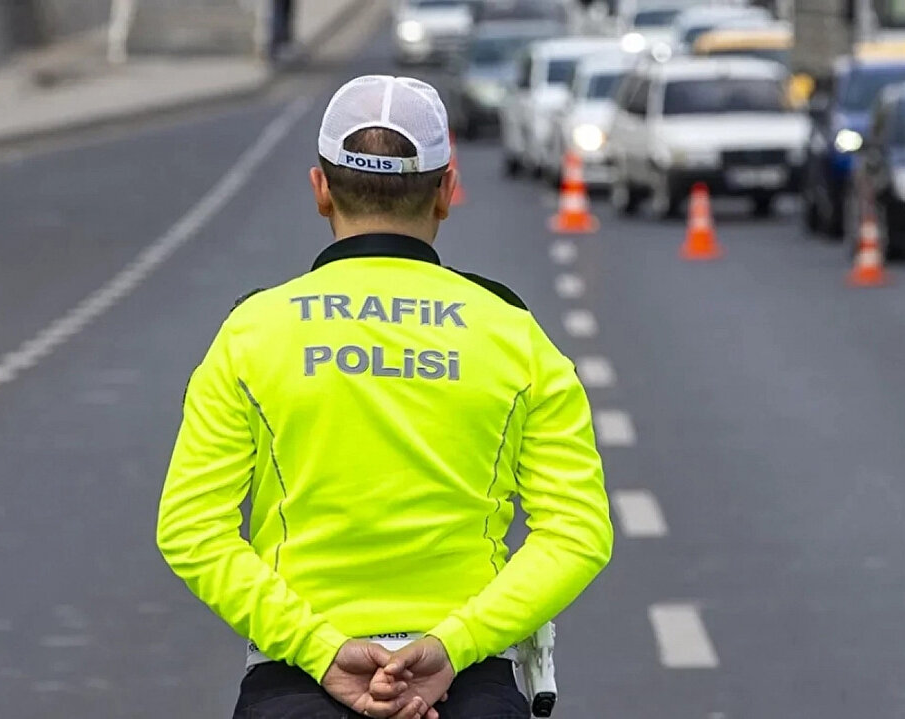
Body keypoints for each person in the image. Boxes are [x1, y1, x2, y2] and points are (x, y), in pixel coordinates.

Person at [156, 75, 614, 719]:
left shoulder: (252, 332)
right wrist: (456, 644)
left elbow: (190, 528)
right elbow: (579, 532)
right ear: (447, 192)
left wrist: (318, 648)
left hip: (297, 679)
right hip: (470, 681)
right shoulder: (513, 333)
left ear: (320, 189)